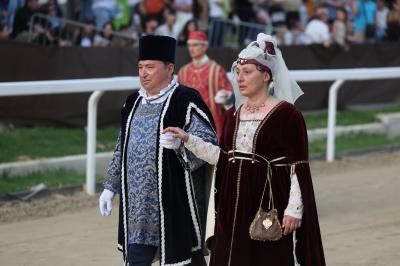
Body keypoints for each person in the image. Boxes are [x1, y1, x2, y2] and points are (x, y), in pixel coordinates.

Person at [162, 33, 326, 266]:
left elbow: (297, 166)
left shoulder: (288, 115)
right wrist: (187, 139)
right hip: (232, 202)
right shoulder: (233, 115)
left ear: (267, 75)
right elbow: (223, 157)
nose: (240, 78)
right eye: (238, 73)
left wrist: (294, 209)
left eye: (247, 72)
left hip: (268, 201)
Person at [98, 35, 218, 266]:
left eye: (150, 67)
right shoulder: (132, 102)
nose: (143, 73)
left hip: (174, 203)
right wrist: (110, 187)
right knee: (137, 259)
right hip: (137, 206)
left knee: (185, 258)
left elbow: (209, 144)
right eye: (141, 67)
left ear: (169, 68)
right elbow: (121, 146)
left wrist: (183, 144)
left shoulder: (185, 99)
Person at [178, 31, 233, 138]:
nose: (191, 48)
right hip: (189, 124)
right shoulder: (183, 72)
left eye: (195, 45)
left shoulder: (216, 70)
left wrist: (227, 96)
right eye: (189, 45)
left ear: (204, 46)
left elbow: (229, 96)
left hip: (212, 122)